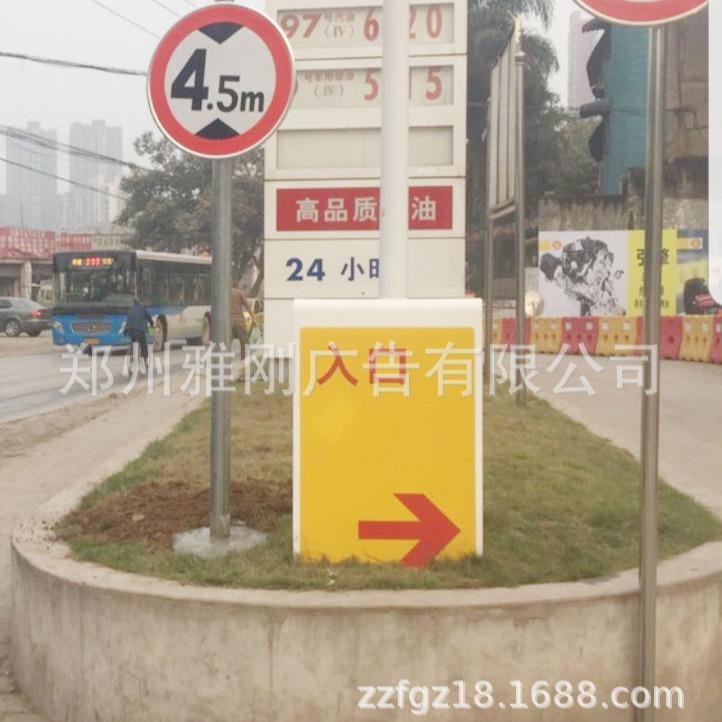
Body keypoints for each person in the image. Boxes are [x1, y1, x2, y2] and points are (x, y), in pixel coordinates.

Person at [125, 296, 154, 372]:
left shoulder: (130, 309)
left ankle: (130, 357)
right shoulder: (143, 309)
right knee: (144, 346)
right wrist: (152, 327)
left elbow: (128, 321)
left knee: (133, 341)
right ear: (140, 302)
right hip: (140, 332)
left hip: (131, 332)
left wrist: (125, 331)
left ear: (133, 303)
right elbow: (150, 319)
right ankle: (145, 362)